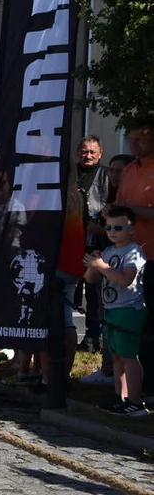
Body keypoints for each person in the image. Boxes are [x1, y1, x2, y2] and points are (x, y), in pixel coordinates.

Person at [84, 206, 147, 416]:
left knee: (129, 356)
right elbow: (90, 279)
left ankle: (136, 401)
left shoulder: (134, 251)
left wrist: (101, 266)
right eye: (109, 227)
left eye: (118, 227)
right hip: (111, 309)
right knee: (117, 356)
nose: (112, 231)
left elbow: (125, 279)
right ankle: (120, 397)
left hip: (128, 309)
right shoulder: (109, 251)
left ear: (130, 229)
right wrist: (94, 266)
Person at [112, 117, 154, 397]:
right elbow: (120, 208)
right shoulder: (128, 170)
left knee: (150, 324)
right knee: (127, 323)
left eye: (142, 137)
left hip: (152, 256)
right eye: (132, 137)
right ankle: (125, 388)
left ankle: (148, 386)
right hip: (128, 255)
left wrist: (128, 208)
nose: (135, 143)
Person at [75, 136, 110, 352]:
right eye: (84, 151)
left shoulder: (106, 176)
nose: (88, 155)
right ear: (78, 152)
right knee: (74, 291)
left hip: (99, 241)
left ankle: (95, 339)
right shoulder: (71, 174)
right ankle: (88, 336)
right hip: (74, 239)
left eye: (92, 152)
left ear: (100, 153)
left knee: (96, 292)